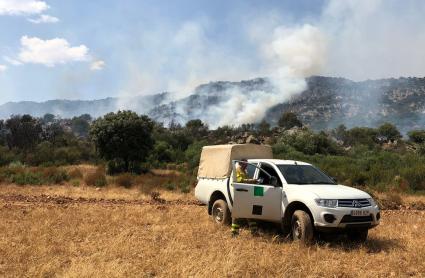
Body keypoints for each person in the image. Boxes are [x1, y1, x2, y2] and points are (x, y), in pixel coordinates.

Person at [231, 159, 259, 237]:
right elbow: (239, 181)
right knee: (237, 215)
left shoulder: (245, 171)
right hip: (239, 194)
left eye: (247, 164)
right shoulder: (237, 170)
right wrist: (251, 180)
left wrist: (253, 181)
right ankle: (234, 233)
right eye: (245, 164)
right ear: (241, 164)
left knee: (250, 213)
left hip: (246, 194)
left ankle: (254, 232)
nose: (246, 165)